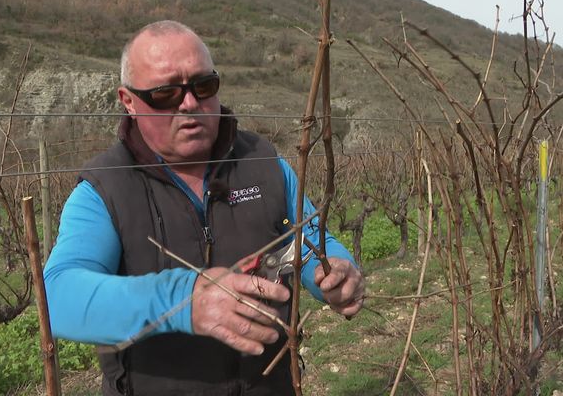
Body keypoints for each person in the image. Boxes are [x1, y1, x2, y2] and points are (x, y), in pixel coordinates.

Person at [44, 20, 365, 396]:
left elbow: (310, 237)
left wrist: (334, 272)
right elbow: (57, 296)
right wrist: (183, 301)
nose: (190, 103)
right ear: (128, 101)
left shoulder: (265, 164)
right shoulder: (105, 189)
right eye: (165, 93)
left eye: (204, 85)